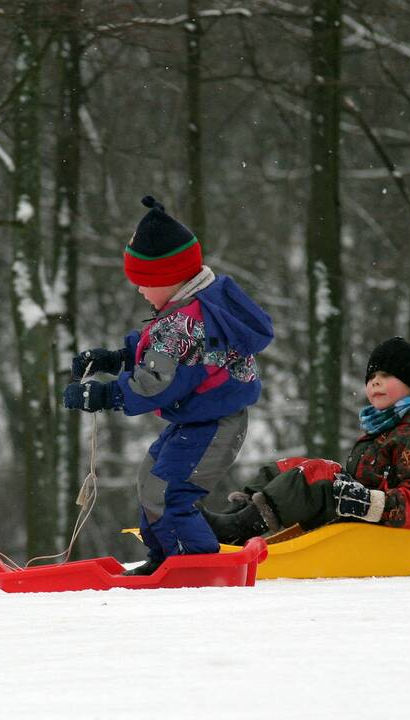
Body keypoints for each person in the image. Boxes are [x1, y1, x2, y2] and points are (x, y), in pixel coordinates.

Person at [62, 195, 274, 575]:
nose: (140, 291)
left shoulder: (185, 325)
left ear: (169, 278)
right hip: (203, 419)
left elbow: (155, 382)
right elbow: (158, 351)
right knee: (151, 481)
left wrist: (105, 393)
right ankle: (165, 558)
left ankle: (194, 567)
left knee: (168, 492)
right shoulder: (189, 307)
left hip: (214, 425)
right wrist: (114, 358)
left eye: (144, 283)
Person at [200, 337, 410, 544]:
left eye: (386, 376)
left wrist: (367, 502)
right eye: (371, 378)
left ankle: (236, 530)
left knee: (317, 476)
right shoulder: (385, 431)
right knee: (287, 468)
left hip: (393, 534)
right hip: (368, 524)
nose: (375, 383)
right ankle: (235, 520)